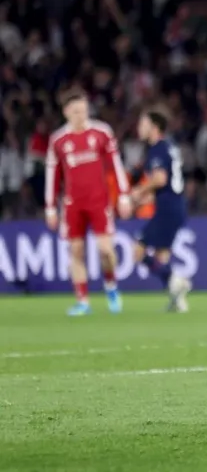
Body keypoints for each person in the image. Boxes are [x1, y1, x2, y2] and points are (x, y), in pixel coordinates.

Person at [45, 87, 133, 316]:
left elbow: (116, 164)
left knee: (105, 250)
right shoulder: (58, 140)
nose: (81, 116)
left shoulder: (102, 133)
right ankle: (83, 300)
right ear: (66, 112)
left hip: (99, 201)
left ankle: (111, 285)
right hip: (73, 203)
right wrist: (50, 207)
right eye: (76, 112)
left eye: (84, 111)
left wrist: (123, 195)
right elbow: (52, 176)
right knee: (76, 251)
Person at [129, 105, 192, 312]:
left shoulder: (157, 148)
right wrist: (144, 196)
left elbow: (159, 179)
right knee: (161, 255)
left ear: (154, 127)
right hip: (175, 205)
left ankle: (175, 279)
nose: (139, 127)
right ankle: (177, 301)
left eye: (143, 123)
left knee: (137, 251)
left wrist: (139, 192)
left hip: (167, 207)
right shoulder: (169, 146)